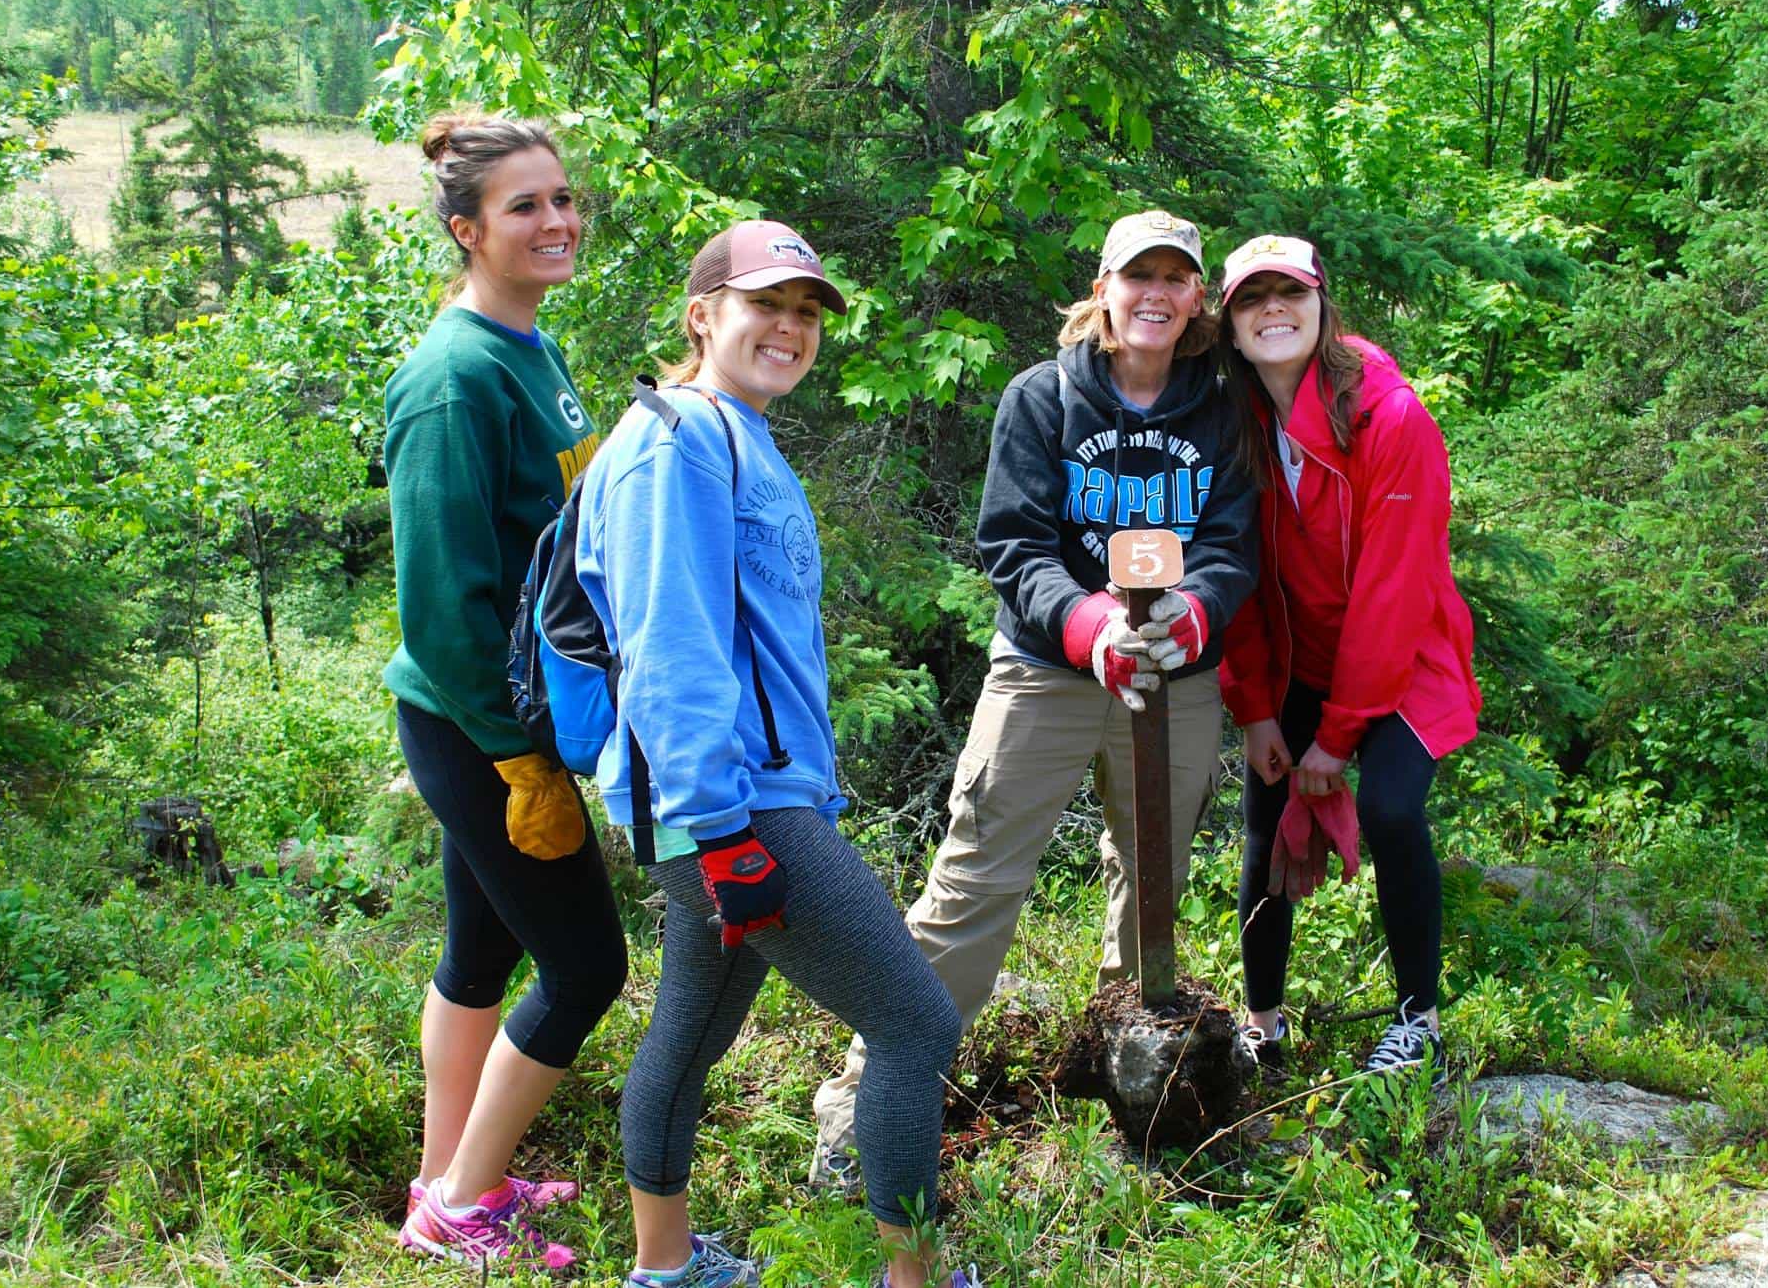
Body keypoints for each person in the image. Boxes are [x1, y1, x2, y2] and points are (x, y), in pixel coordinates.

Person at [812, 210, 1258, 1189]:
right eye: (1135, 274)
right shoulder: (1043, 398)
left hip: (1174, 681)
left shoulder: (1219, 409)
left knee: (1151, 881)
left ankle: (1124, 1079)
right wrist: (1088, 625)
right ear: (1101, 284)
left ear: (1196, 300)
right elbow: (1011, 545)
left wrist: (1191, 614)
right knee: (975, 879)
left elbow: (1230, 542)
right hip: (1048, 673)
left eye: (1173, 278)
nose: (1153, 294)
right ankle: (873, 1096)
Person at [576, 220, 974, 1288]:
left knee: (690, 1033)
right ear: (702, 316)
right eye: (766, 305)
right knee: (912, 1023)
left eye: (806, 312)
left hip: (742, 794)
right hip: (736, 803)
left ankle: (664, 1270)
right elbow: (670, 643)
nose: (790, 328)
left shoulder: (734, 433)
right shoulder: (673, 441)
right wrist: (720, 828)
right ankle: (917, 1278)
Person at [384, 112, 627, 1270]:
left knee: (480, 955)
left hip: (514, 717)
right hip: (476, 722)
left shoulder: (530, 349)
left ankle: (446, 1180)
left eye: (562, 198)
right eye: (524, 205)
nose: (556, 221)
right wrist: (520, 759)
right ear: (464, 230)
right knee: (586, 966)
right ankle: (463, 1206)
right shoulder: (451, 379)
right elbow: (440, 607)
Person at [1212, 234, 1482, 1081]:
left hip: (1400, 657)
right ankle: (1264, 1022)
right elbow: (1240, 577)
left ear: (1323, 303)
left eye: (1288, 292)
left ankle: (1419, 1020)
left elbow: (1391, 591)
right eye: (1252, 298)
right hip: (1299, 659)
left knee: (1394, 809)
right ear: (1229, 323)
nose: (1273, 311)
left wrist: (1336, 740)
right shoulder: (1238, 421)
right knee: (1264, 821)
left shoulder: (1389, 416)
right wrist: (1254, 707)